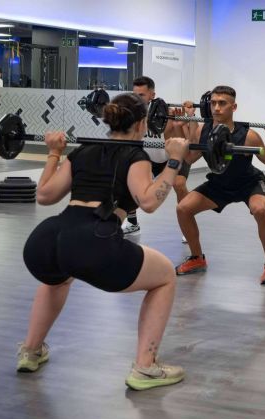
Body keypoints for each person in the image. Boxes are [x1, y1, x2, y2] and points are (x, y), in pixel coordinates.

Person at [18, 93, 189, 390]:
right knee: (164, 277)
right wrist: (175, 160)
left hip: (47, 238)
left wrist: (54, 152)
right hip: (93, 239)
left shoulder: (82, 150)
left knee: (57, 277)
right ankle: (146, 368)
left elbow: (44, 195)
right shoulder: (136, 157)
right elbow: (148, 202)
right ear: (142, 123)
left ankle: (30, 351)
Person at [175, 85, 265, 285]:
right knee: (183, 208)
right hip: (219, 184)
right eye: (213, 103)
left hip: (248, 182)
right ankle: (197, 258)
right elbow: (190, 159)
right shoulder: (204, 129)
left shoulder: (248, 136)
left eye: (222, 103)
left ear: (234, 107)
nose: (216, 108)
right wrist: (190, 121)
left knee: (260, 210)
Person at [122, 76, 191, 239]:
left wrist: (178, 122)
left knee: (179, 184)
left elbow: (179, 140)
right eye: (134, 95)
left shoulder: (166, 113)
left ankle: (188, 227)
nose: (136, 99)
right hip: (149, 158)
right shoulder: (131, 114)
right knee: (128, 182)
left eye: (141, 95)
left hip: (170, 156)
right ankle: (132, 223)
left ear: (152, 95)